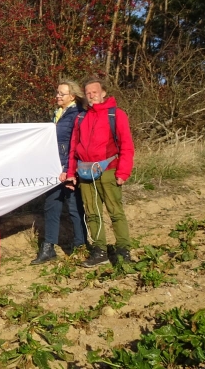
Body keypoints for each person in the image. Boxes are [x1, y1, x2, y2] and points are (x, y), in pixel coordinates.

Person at [67, 77, 135, 268]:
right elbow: (74, 147)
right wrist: (71, 172)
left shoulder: (116, 115)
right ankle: (100, 251)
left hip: (109, 171)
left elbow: (127, 145)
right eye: (88, 93)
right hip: (85, 172)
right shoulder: (81, 117)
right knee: (92, 213)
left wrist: (123, 172)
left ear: (103, 92)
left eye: (94, 92)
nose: (91, 96)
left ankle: (123, 250)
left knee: (116, 212)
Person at [31, 80, 88, 265]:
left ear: (72, 96)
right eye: (57, 93)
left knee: (74, 208)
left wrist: (70, 170)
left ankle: (80, 245)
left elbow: (75, 144)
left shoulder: (78, 114)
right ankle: (48, 247)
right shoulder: (58, 113)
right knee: (51, 207)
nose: (57, 96)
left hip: (69, 169)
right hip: (53, 169)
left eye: (61, 93)